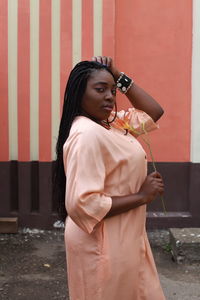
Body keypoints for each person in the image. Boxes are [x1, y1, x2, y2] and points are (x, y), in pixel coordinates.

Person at [54, 56, 166, 299]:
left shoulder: (112, 123)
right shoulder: (86, 134)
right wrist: (142, 196)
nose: (109, 97)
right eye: (100, 89)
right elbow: (83, 204)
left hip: (126, 235)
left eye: (113, 90)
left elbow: (153, 112)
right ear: (78, 92)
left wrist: (119, 76)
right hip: (102, 242)